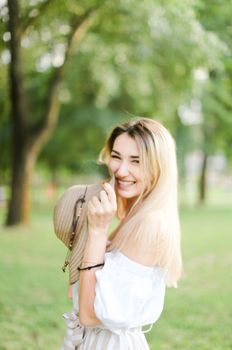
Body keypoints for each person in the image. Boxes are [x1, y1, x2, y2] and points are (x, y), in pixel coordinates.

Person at [64, 117, 182, 349]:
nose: (121, 170)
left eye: (136, 161)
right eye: (116, 157)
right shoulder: (129, 217)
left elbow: (89, 314)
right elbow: (73, 292)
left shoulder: (150, 224)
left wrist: (98, 232)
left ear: (159, 167)